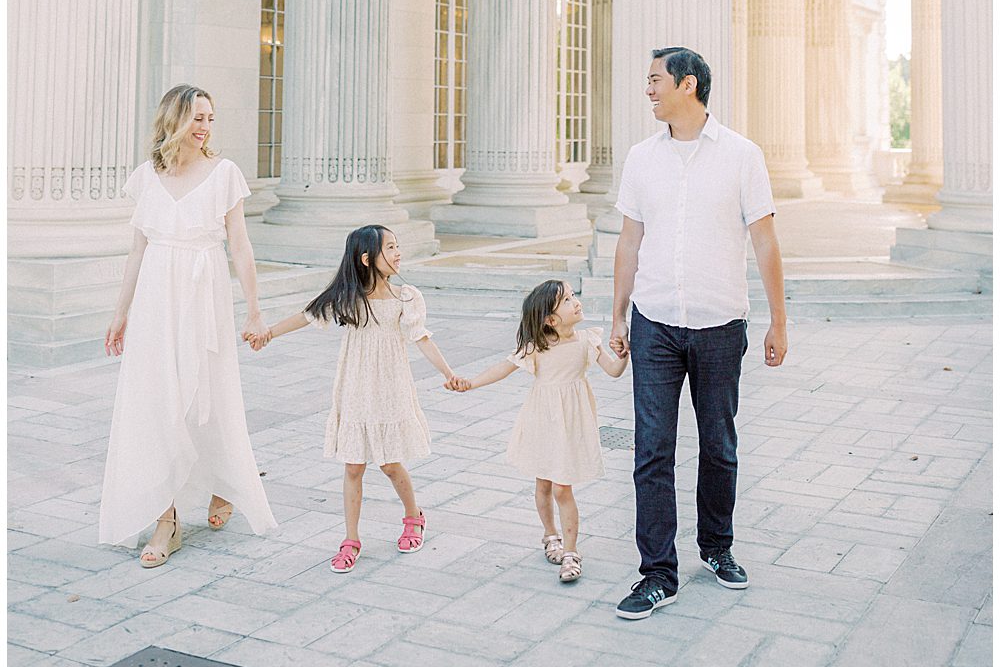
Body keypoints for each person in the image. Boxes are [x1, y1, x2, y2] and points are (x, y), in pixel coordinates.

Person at [611, 47, 787, 621]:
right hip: (654, 321)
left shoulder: (741, 156)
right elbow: (629, 241)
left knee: (719, 446)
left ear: (688, 85)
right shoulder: (640, 158)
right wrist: (617, 315)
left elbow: (764, 241)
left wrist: (778, 321)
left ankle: (717, 548)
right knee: (651, 451)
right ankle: (657, 574)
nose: (648, 90)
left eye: (655, 80)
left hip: (719, 323)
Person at [100, 85, 276, 565]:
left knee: (207, 397)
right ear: (174, 120)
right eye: (197, 117)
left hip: (203, 295)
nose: (204, 127)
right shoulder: (145, 178)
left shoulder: (224, 174)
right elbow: (137, 251)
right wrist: (121, 313)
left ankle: (226, 483)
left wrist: (254, 308)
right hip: (157, 298)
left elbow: (240, 246)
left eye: (210, 119)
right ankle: (166, 517)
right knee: (157, 401)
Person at [248, 224, 462, 572]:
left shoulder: (406, 297)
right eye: (390, 247)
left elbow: (421, 338)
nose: (397, 253)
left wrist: (449, 373)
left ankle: (414, 516)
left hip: (390, 387)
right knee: (353, 465)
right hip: (356, 388)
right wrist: (268, 334)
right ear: (367, 258)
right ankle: (351, 538)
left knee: (391, 463)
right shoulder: (347, 298)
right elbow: (306, 316)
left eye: (397, 246)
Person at [451, 278, 628, 583]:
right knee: (544, 484)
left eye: (574, 296)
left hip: (571, 422)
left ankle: (571, 552)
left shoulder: (588, 340)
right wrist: (470, 383)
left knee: (562, 487)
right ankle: (551, 536)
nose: (577, 302)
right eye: (568, 300)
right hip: (542, 419)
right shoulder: (538, 346)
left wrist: (625, 354)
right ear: (550, 319)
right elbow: (503, 368)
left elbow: (613, 371)